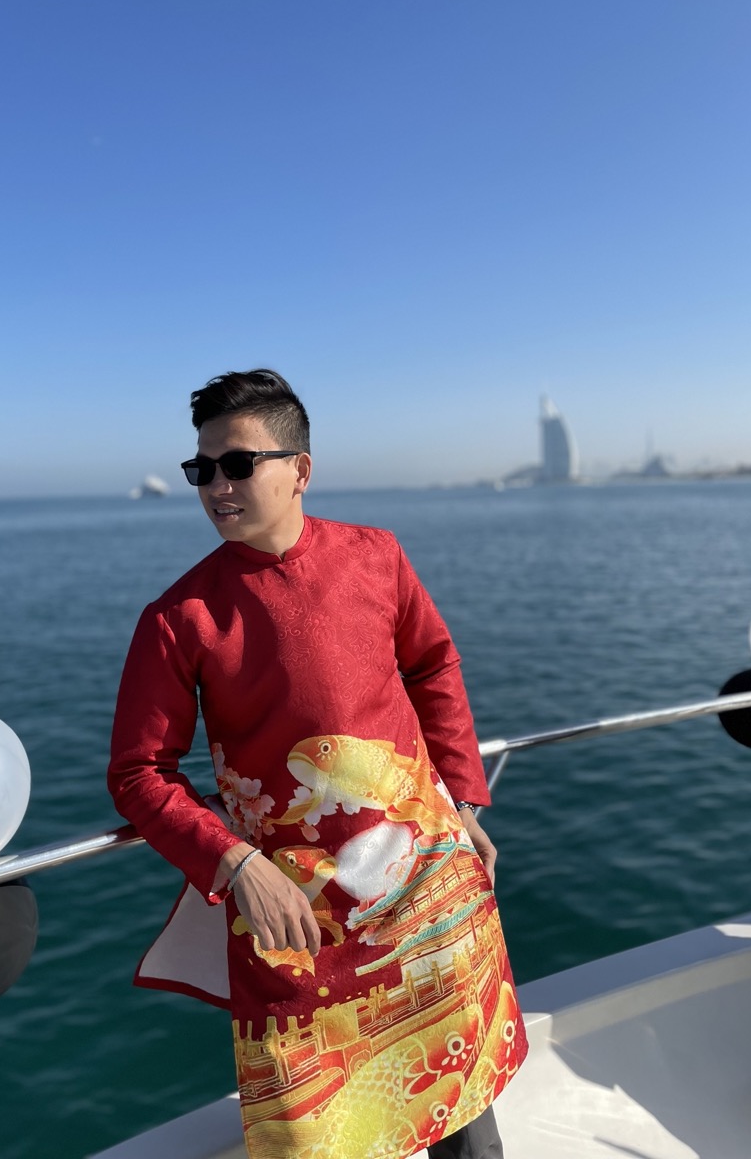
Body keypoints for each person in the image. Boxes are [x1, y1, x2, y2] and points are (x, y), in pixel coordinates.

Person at [108, 369, 526, 1159]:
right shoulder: (178, 617)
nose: (215, 487)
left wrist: (464, 800)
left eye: (238, 465)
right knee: (314, 1136)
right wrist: (236, 865)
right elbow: (139, 773)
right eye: (202, 468)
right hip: (292, 921)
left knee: (465, 1117)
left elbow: (433, 666)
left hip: (425, 886)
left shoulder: (376, 555)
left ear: (300, 469)